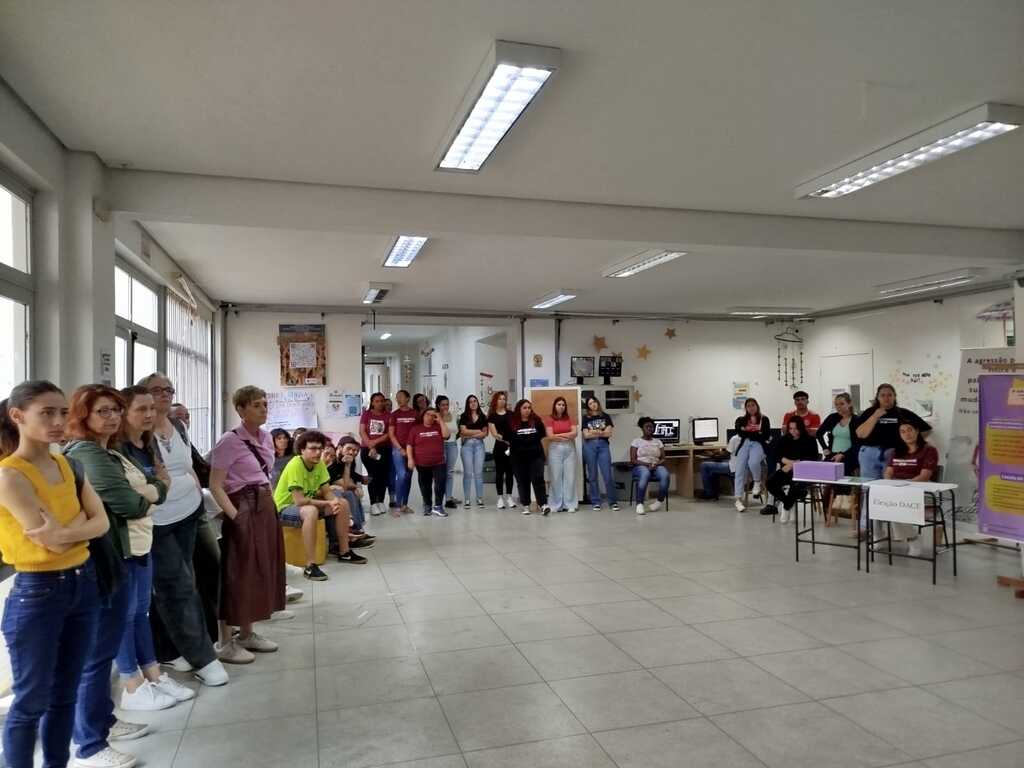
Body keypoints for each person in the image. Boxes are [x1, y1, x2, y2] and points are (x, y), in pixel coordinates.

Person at [0, 381, 108, 768]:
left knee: (66, 694)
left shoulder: (66, 463)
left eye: (62, 412)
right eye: (46, 412)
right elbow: (56, 544)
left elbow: (103, 523)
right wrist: (77, 526)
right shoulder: (9, 475)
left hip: (83, 584)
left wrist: (66, 529)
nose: (58, 420)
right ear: (18, 416)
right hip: (37, 593)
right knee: (31, 700)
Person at [138, 373, 226, 686]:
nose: (162, 395)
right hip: (158, 519)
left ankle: (168, 646)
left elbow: (188, 465)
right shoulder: (136, 433)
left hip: (189, 512)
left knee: (187, 579)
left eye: (168, 390)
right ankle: (203, 656)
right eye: (155, 390)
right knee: (177, 585)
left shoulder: (177, 425)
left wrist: (199, 497)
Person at [114, 387, 197, 712]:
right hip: (123, 542)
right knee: (125, 614)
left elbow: (156, 491)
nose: (150, 414)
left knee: (139, 611)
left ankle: (153, 673)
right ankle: (132, 683)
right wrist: (157, 488)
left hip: (143, 538)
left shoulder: (146, 445)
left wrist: (155, 490)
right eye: (141, 408)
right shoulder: (109, 451)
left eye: (153, 407)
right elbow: (132, 501)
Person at [208, 385, 288, 663]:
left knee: (260, 569)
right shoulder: (229, 441)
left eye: (265, 404)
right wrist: (235, 516)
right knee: (237, 572)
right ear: (241, 409)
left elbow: (266, 476)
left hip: (264, 505)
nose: (263, 409)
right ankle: (224, 641)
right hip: (242, 506)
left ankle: (247, 633)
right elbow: (215, 485)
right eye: (256, 405)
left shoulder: (266, 438)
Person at [273, 429, 367, 580]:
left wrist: (334, 501)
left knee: (342, 503)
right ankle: (310, 566)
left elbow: (326, 491)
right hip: (284, 509)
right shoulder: (295, 465)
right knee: (310, 511)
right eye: (312, 448)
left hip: (304, 506)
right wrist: (327, 502)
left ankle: (345, 552)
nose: (317, 452)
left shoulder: (319, 464)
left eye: (319, 449)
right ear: (302, 450)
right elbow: (300, 501)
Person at [853, 384, 931, 534]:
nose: (886, 398)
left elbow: (926, 429)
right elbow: (860, 434)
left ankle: (898, 530)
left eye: (889, 395)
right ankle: (866, 528)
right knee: (868, 490)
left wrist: (911, 445)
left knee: (894, 491)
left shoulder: (902, 413)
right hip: (869, 453)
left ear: (895, 396)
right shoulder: (869, 412)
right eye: (882, 395)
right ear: (877, 397)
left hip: (893, 455)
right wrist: (875, 416)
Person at [883, 419, 939, 557]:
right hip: (897, 489)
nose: (906, 434)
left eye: (909, 430)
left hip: (920, 489)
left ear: (917, 431)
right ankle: (876, 538)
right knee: (875, 498)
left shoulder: (929, 450)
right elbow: (888, 472)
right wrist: (889, 484)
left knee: (893, 505)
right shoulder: (896, 451)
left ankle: (912, 539)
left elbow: (924, 476)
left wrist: (904, 486)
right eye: (902, 431)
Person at [764, 416, 820, 523]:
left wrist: (795, 464)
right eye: (790, 429)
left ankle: (786, 508)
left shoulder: (810, 440)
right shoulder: (784, 439)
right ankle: (788, 503)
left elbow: (813, 457)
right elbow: (776, 455)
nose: (792, 431)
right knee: (770, 482)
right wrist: (788, 463)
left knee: (795, 485)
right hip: (787, 468)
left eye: (795, 429)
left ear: (801, 428)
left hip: (804, 471)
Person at [328, 437, 376, 541]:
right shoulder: (334, 461)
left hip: (337, 489)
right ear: (340, 448)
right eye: (349, 449)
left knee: (351, 493)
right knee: (349, 493)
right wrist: (355, 487)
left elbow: (350, 476)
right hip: (330, 492)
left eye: (355, 451)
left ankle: (357, 529)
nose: (352, 452)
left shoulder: (349, 460)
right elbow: (342, 484)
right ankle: (351, 531)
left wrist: (361, 479)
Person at [507, 399, 549, 515]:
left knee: (538, 479)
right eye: (524, 408)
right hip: (518, 458)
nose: (527, 410)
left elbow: (543, 438)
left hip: (536, 456)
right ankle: (526, 505)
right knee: (522, 481)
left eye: (529, 408)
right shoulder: (512, 422)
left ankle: (543, 505)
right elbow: (509, 440)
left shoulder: (536, 421)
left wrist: (544, 455)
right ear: (519, 409)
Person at [408, 407, 450, 517]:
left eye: (433, 415)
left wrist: (440, 420)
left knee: (440, 483)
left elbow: (446, 435)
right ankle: (427, 505)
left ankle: (438, 506)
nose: (430, 417)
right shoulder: (415, 429)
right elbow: (409, 445)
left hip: (439, 461)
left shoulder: (438, 427)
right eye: (428, 414)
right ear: (423, 415)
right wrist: (410, 459)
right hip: (422, 463)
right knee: (425, 485)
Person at [733, 398, 771, 513]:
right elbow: (739, 432)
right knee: (739, 469)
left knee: (753, 462)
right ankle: (738, 499)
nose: (751, 407)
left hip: (758, 445)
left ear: (757, 406)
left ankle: (757, 482)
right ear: (746, 408)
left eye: (753, 405)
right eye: (748, 406)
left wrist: (748, 431)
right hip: (745, 443)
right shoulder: (741, 419)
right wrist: (755, 432)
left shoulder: (764, 419)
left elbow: (765, 435)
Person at [581, 396, 618, 511]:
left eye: (594, 402)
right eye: (590, 403)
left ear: (598, 402)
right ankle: (596, 501)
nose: (593, 404)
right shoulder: (586, 418)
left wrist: (593, 431)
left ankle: (612, 502)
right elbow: (586, 435)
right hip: (589, 447)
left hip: (603, 446)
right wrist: (601, 431)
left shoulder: (605, 416)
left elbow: (608, 434)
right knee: (592, 475)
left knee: (607, 475)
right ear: (588, 406)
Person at [359, 392, 392, 516]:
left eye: (382, 401)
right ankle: (373, 503)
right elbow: (362, 431)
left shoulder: (388, 415)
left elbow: (389, 433)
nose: (380, 403)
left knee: (382, 476)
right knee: (373, 476)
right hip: (367, 450)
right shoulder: (366, 414)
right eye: (377, 401)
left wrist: (375, 443)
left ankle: (381, 501)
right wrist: (370, 445)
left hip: (384, 449)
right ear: (372, 403)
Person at [544, 397, 578, 513]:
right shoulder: (549, 419)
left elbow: (575, 433)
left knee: (570, 477)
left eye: (563, 405)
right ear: (555, 406)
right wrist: (566, 435)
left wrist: (560, 435)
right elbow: (550, 436)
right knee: (555, 477)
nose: (561, 406)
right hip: (555, 449)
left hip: (569, 449)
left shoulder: (570, 418)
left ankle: (570, 504)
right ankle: (555, 504)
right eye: (559, 404)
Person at [630, 417, 670, 516]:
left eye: (652, 427)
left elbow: (663, 458)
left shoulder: (658, 442)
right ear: (642, 428)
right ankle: (639, 504)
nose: (650, 429)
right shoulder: (636, 441)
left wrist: (656, 464)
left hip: (656, 465)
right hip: (640, 466)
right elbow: (633, 460)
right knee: (645, 473)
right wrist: (647, 465)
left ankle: (659, 502)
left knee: (665, 474)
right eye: (647, 427)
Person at [388, 390, 418, 516]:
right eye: (397, 398)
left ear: (408, 398)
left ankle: (405, 504)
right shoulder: (394, 415)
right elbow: (391, 434)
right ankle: (398, 505)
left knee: (408, 477)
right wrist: (400, 448)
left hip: (412, 449)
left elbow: (418, 432)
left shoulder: (415, 414)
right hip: (398, 448)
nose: (398, 399)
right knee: (401, 474)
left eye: (401, 397)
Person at [487, 391, 517, 509]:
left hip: (512, 447)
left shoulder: (511, 414)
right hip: (500, 448)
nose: (502, 401)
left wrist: (513, 441)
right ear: (496, 401)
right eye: (500, 399)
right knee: (500, 473)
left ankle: (509, 497)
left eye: (504, 398)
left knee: (510, 473)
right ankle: (500, 498)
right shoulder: (492, 416)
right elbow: (495, 434)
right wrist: (506, 441)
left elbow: (515, 429)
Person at [458, 395, 489, 509]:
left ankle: (479, 498)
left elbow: (485, 433)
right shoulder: (464, 416)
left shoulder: (483, 417)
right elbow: (463, 431)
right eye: (470, 402)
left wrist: (468, 434)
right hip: (467, 447)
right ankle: (467, 499)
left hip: (479, 447)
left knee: (478, 473)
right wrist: (478, 431)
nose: (473, 403)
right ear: (468, 404)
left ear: (477, 402)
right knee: (467, 473)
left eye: (475, 401)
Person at [697, 434, 741, 501]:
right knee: (716, 463)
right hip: (744, 468)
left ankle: (709, 493)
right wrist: (720, 452)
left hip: (733, 469)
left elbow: (724, 456)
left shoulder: (735, 438)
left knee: (704, 465)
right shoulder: (749, 438)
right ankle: (715, 491)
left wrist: (712, 455)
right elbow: (728, 454)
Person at [436, 396, 461, 509]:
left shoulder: (454, 415)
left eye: (447, 404)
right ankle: (438, 499)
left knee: (449, 472)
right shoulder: (435, 417)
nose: (445, 407)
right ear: (438, 406)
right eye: (443, 404)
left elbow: (458, 430)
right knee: (440, 474)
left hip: (452, 445)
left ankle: (448, 499)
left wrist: (455, 439)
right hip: (439, 446)